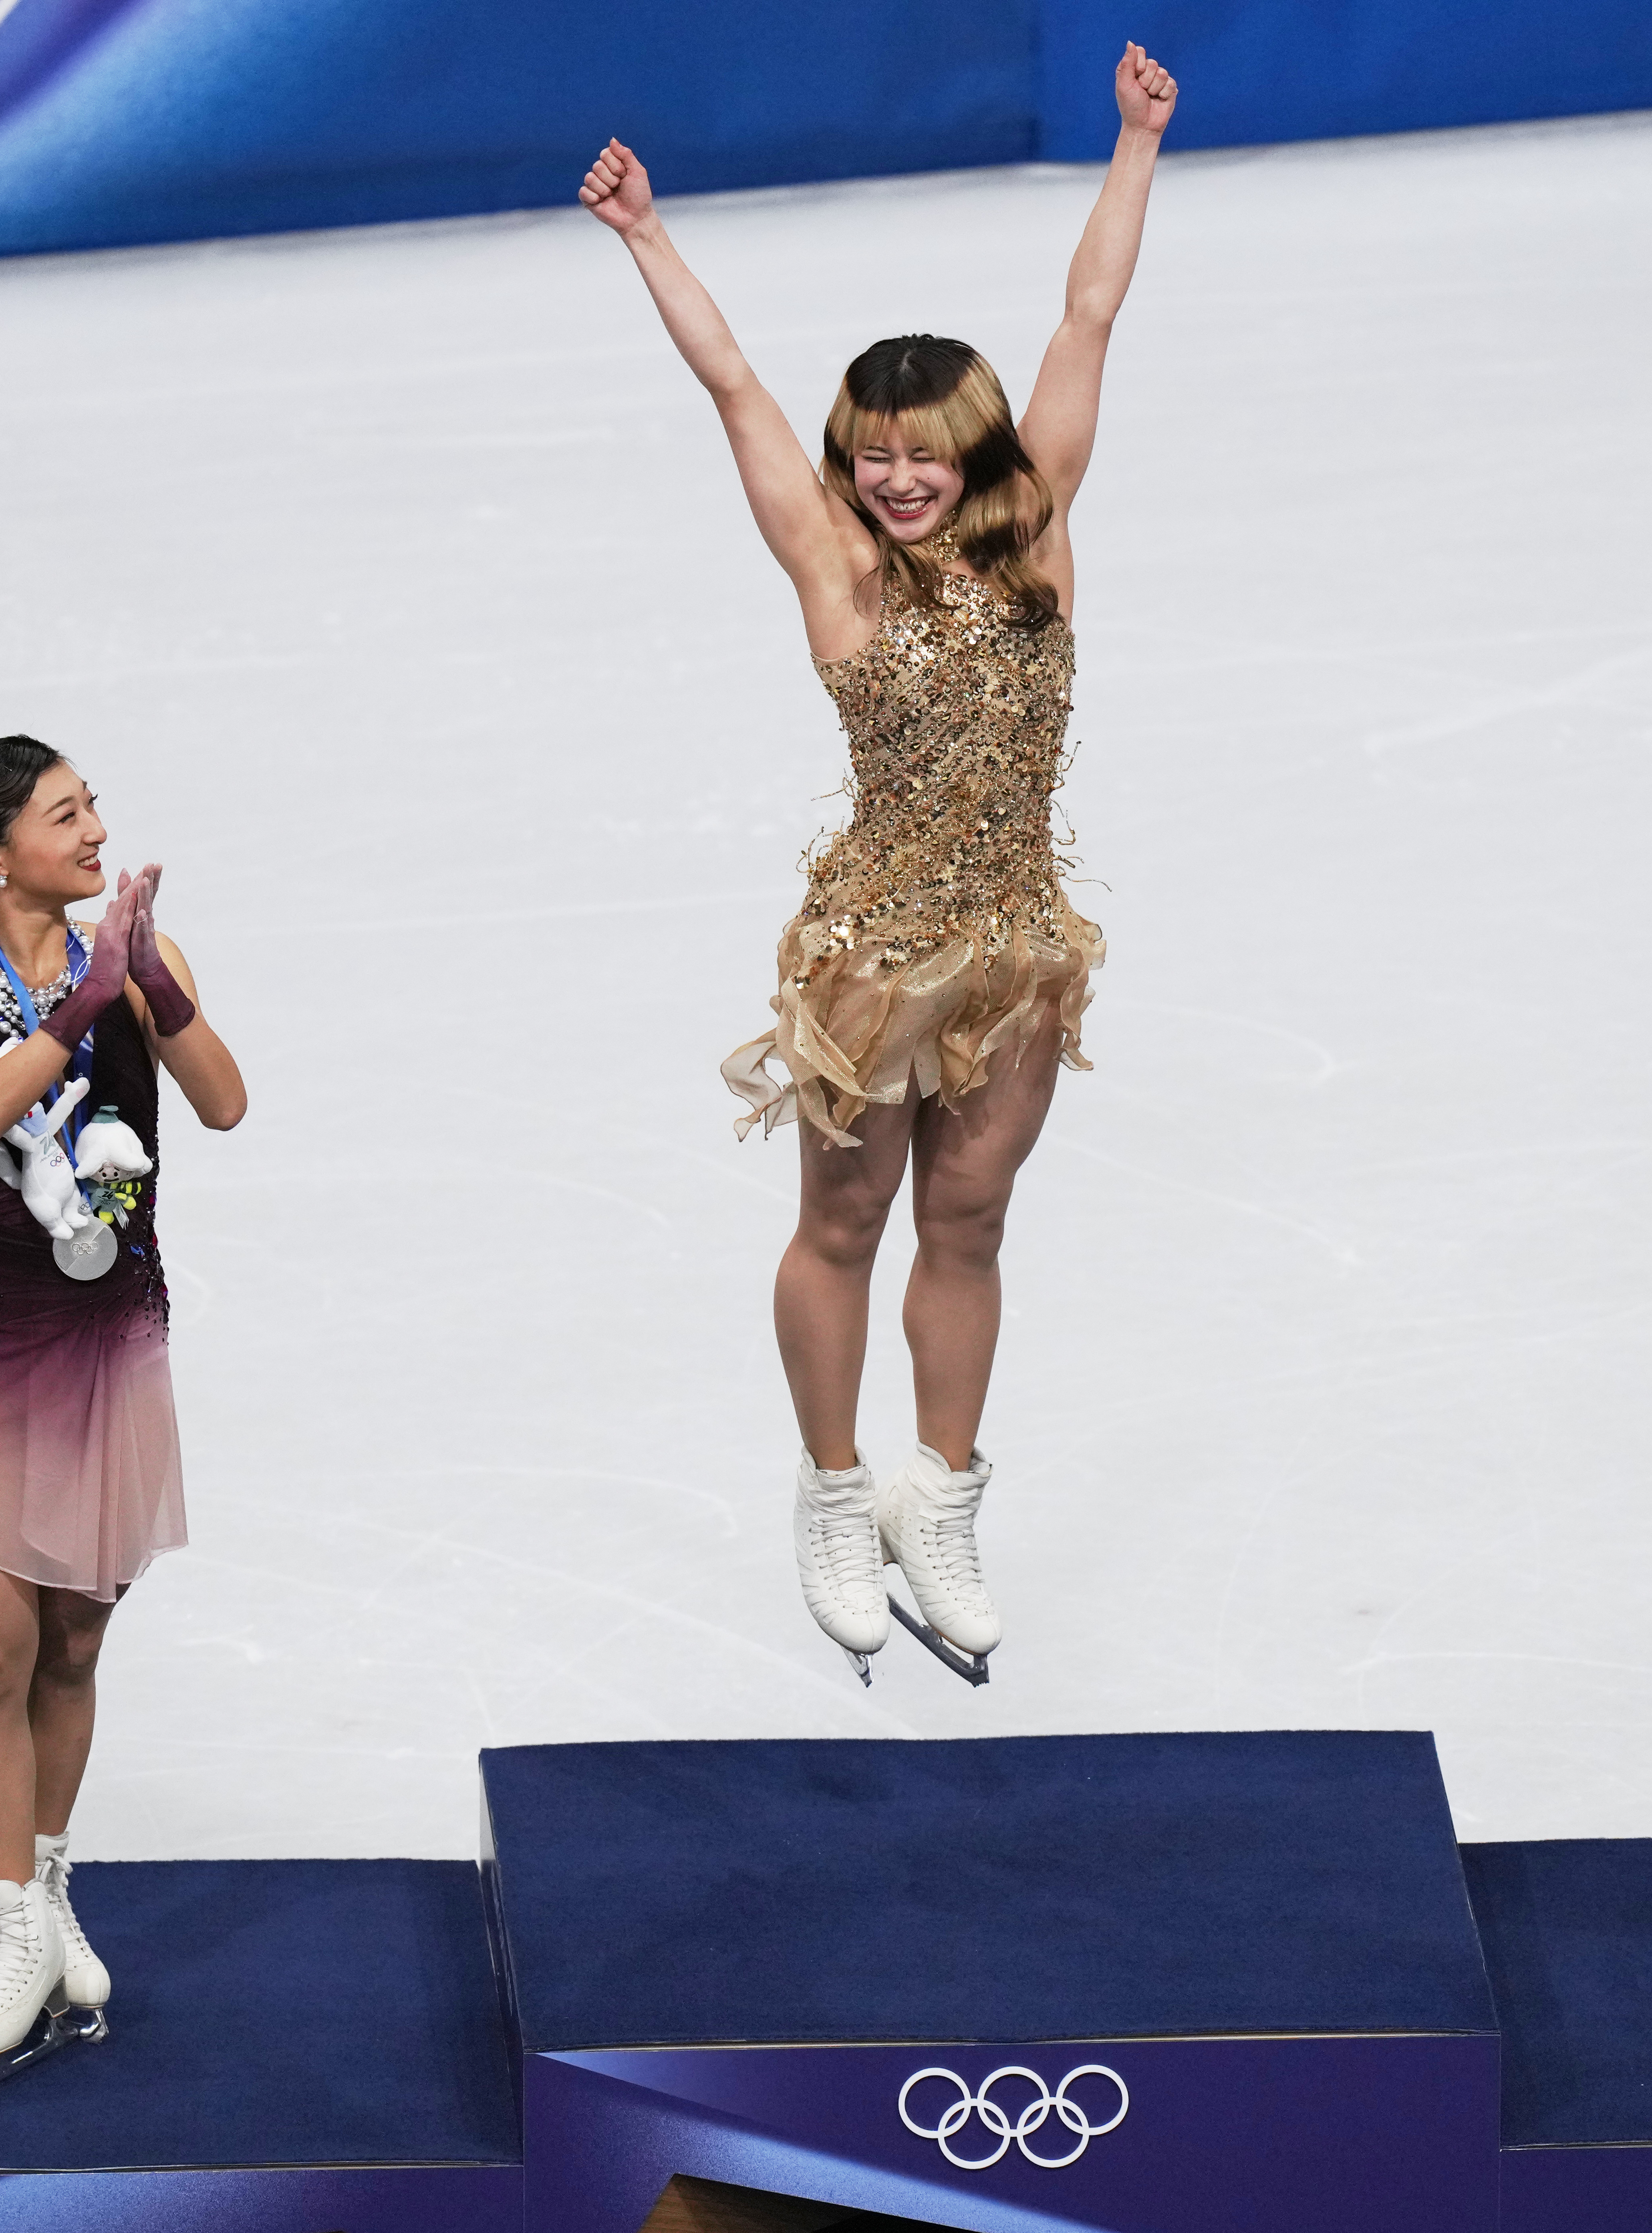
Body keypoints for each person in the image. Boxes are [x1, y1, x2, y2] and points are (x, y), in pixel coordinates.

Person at [577, 43, 1179, 1679]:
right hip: (874, 952)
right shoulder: (834, 570)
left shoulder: (1042, 539)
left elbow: (1089, 318)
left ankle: (942, 1491)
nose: (895, 477)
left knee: (970, 1223)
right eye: (872, 452)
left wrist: (1133, 143)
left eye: (924, 451)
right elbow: (736, 389)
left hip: (1018, 945)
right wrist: (648, 238)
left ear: (978, 453)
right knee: (843, 1225)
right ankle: (836, 1489)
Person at [0, 735, 245, 2081]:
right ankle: (1, 1925)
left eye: (93, 808)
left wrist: (152, 993)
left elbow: (224, 1107)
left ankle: (43, 1884)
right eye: (64, 816)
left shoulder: (142, 961)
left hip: (108, 1353)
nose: (96, 833)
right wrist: (83, 1007)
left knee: (74, 1651)